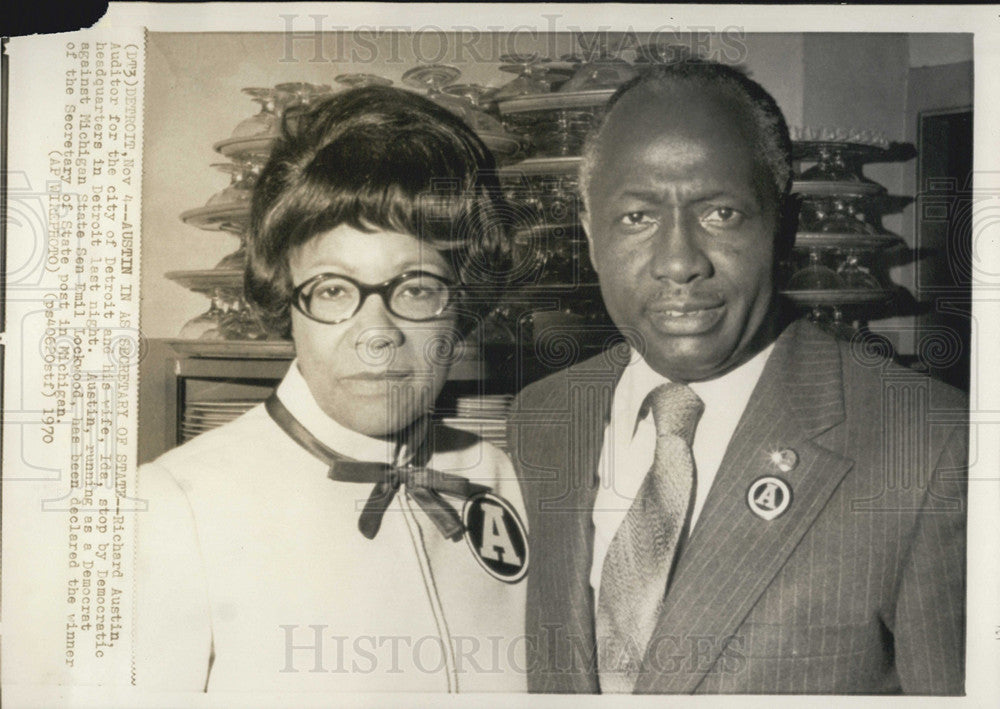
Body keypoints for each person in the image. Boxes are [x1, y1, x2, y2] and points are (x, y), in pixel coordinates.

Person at [508, 60, 968, 694]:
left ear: (784, 227)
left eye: (721, 213)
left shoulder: (931, 444)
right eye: (637, 218)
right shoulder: (542, 418)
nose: (678, 262)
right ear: (589, 234)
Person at [135, 86, 528, 693]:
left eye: (418, 289)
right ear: (283, 298)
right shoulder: (173, 506)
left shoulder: (504, 478)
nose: (377, 336)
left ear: (462, 306)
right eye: (334, 290)